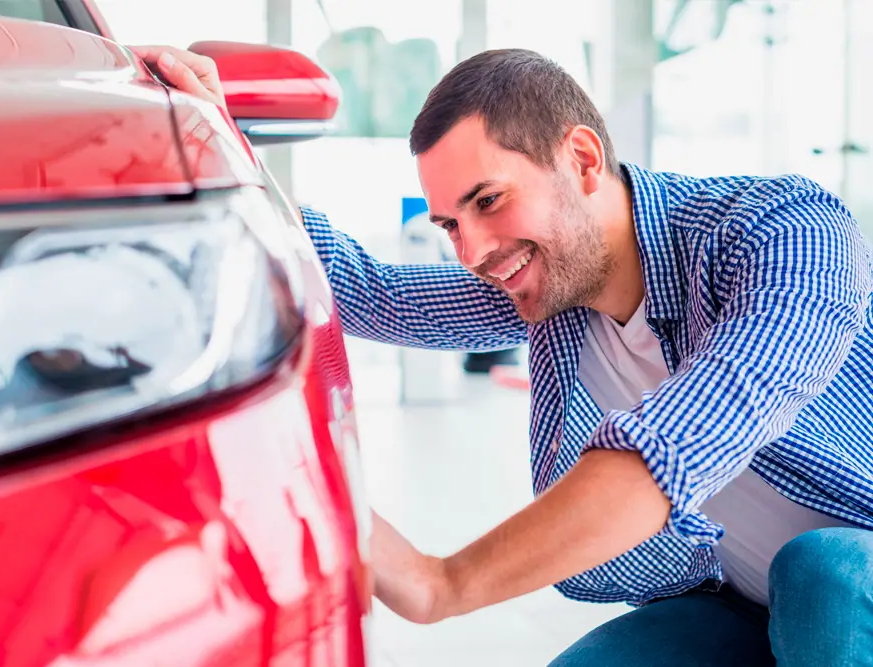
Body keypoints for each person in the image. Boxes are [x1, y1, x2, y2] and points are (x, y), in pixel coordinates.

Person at [132, 45, 873, 666]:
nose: (476, 250)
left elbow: (681, 442)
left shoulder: (787, 233)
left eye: (489, 201)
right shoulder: (553, 283)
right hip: (742, 600)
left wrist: (441, 581)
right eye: (451, 223)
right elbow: (370, 290)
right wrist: (218, 139)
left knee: (825, 574)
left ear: (581, 158)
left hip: (845, 576)